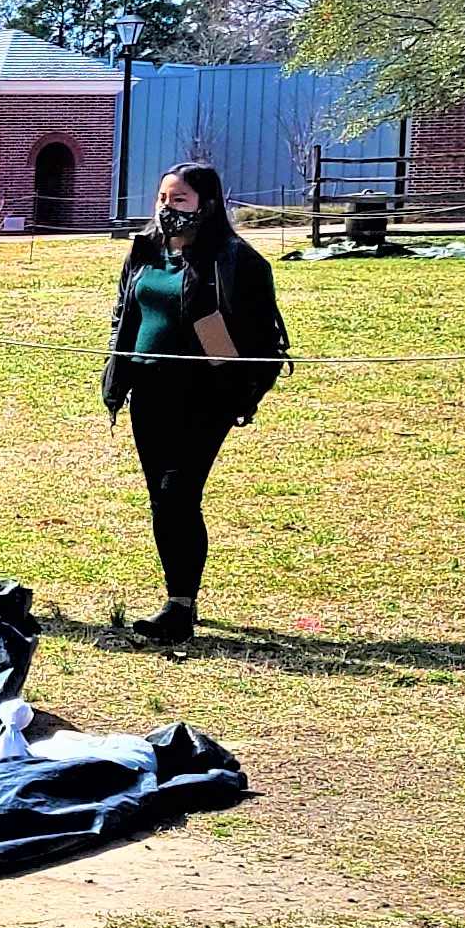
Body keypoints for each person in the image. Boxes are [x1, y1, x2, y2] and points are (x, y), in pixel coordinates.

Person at [98, 164, 289, 646]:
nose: (167, 208)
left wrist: (238, 392)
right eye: (162, 198)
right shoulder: (143, 253)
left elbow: (264, 339)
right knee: (162, 499)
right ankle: (177, 596)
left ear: (206, 204)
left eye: (179, 200)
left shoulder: (235, 260)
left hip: (203, 398)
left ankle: (179, 607)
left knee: (178, 493)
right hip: (148, 390)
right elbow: (125, 312)